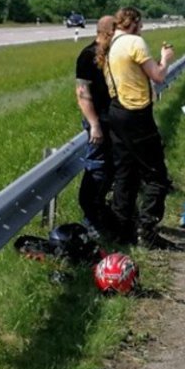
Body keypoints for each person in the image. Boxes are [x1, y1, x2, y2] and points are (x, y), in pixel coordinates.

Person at [103, 6, 174, 246]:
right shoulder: (134, 42)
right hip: (136, 113)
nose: (142, 28)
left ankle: (121, 231)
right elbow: (158, 76)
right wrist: (165, 59)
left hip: (116, 112)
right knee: (156, 175)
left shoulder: (111, 45)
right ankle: (147, 231)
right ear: (133, 23)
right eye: (140, 24)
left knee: (125, 174)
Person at [76, 15, 128, 241]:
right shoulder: (87, 56)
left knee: (113, 171)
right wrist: (94, 124)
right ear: (109, 32)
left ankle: (105, 217)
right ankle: (90, 221)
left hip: (115, 122)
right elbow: (82, 94)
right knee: (97, 170)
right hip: (99, 122)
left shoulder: (113, 54)